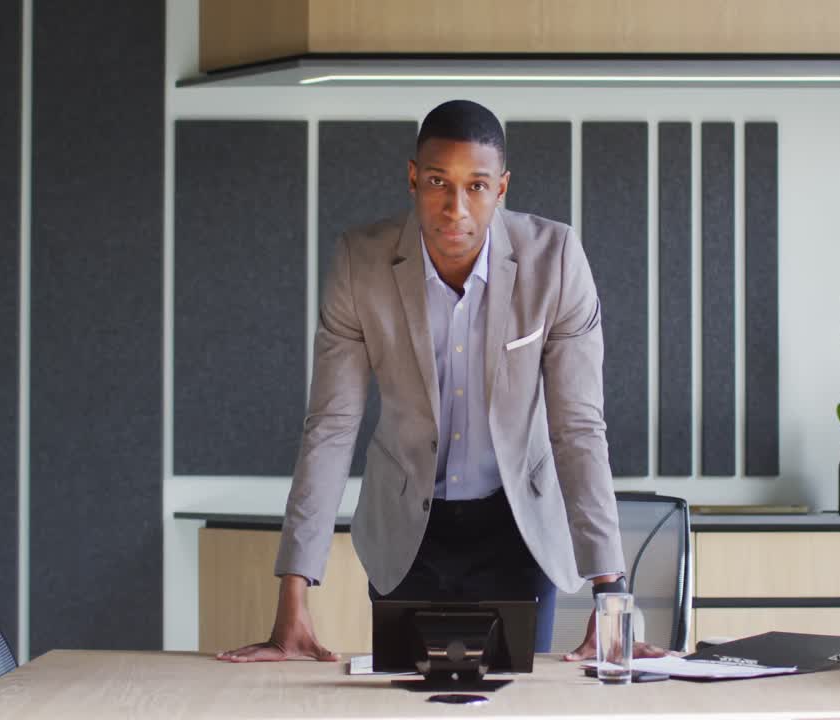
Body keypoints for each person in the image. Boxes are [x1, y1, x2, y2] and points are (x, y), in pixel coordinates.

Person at [217, 99, 660, 664]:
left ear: (501, 189)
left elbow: (577, 428)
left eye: (476, 186)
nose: (456, 208)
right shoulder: (360, 263)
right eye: (436, 182)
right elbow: (331, 426)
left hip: (516, 527)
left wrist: (610, 593)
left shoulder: (556, 260)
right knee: (402, 701)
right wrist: (292, 596)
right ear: (411, 178)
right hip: (407, 533)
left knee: (516, 704)